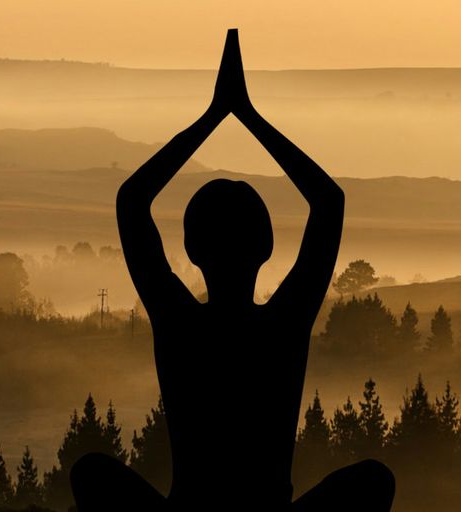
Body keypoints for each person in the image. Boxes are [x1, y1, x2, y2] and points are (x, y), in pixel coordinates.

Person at [71, 29, 395, 512]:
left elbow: (132, 201)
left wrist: (212, 116)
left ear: (191, 249)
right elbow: (329, 202)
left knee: (91, 472)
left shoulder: (179, 321)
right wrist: (248, 116)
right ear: (265, 247)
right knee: (373, 480)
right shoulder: (284, 323)